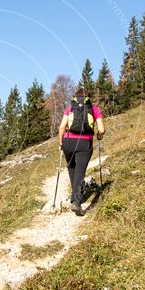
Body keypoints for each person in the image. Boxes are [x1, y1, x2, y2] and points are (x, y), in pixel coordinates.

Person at [58, 87, 105, 215]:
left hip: (69, 142)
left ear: (76, 97)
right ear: (87, 98)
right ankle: (77, 203)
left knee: (72, 168)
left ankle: (75, 197)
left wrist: (61, 143)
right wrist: (99, 136)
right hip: (85, 143)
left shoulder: (70, 108)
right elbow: (101, 129)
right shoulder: (94, 109)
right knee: (80, 171)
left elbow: (62, 127)